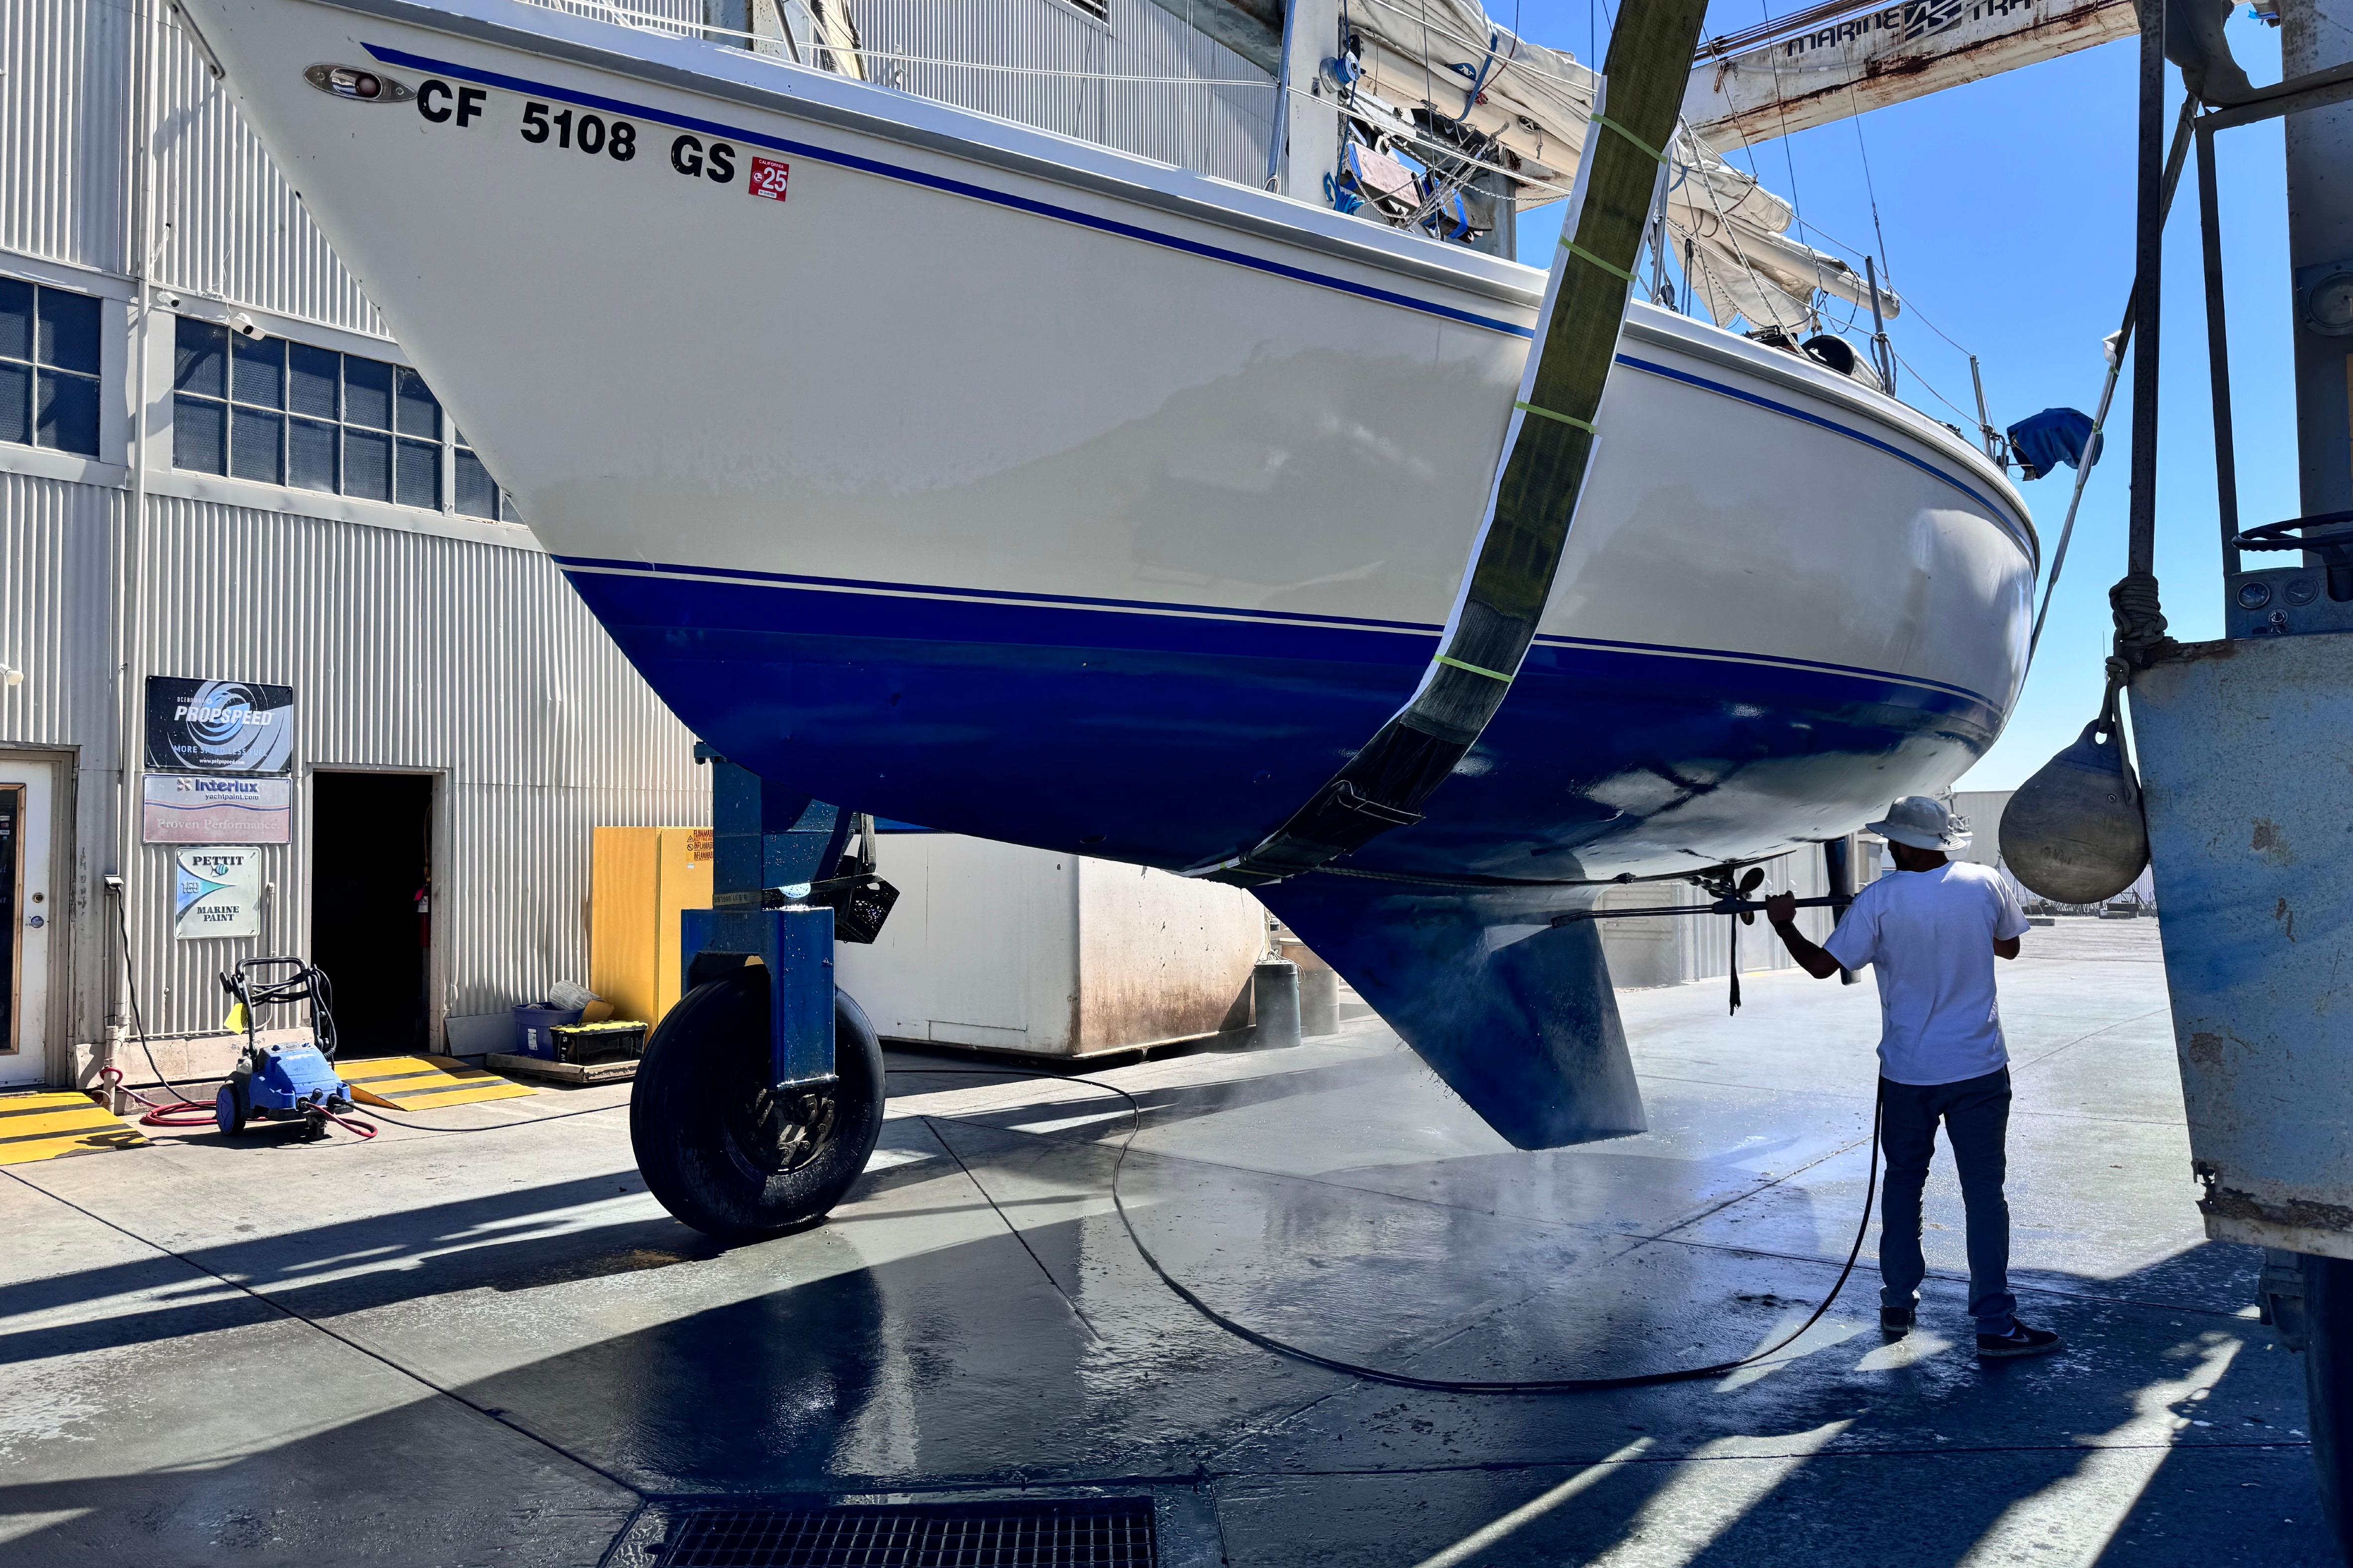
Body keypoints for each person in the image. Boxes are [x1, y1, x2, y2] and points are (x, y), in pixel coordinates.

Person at [1762, 795, 2063, 1361]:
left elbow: (1825, 966)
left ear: (1900, 844)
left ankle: (1897, 1300)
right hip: (1978, 1067)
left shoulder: (1878, 900)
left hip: (1907, 1073)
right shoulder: (1983, 883)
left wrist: (1784, 924)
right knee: (1983, 1193)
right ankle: (1994, 1324)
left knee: (1903, 1182)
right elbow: (2010, 947)